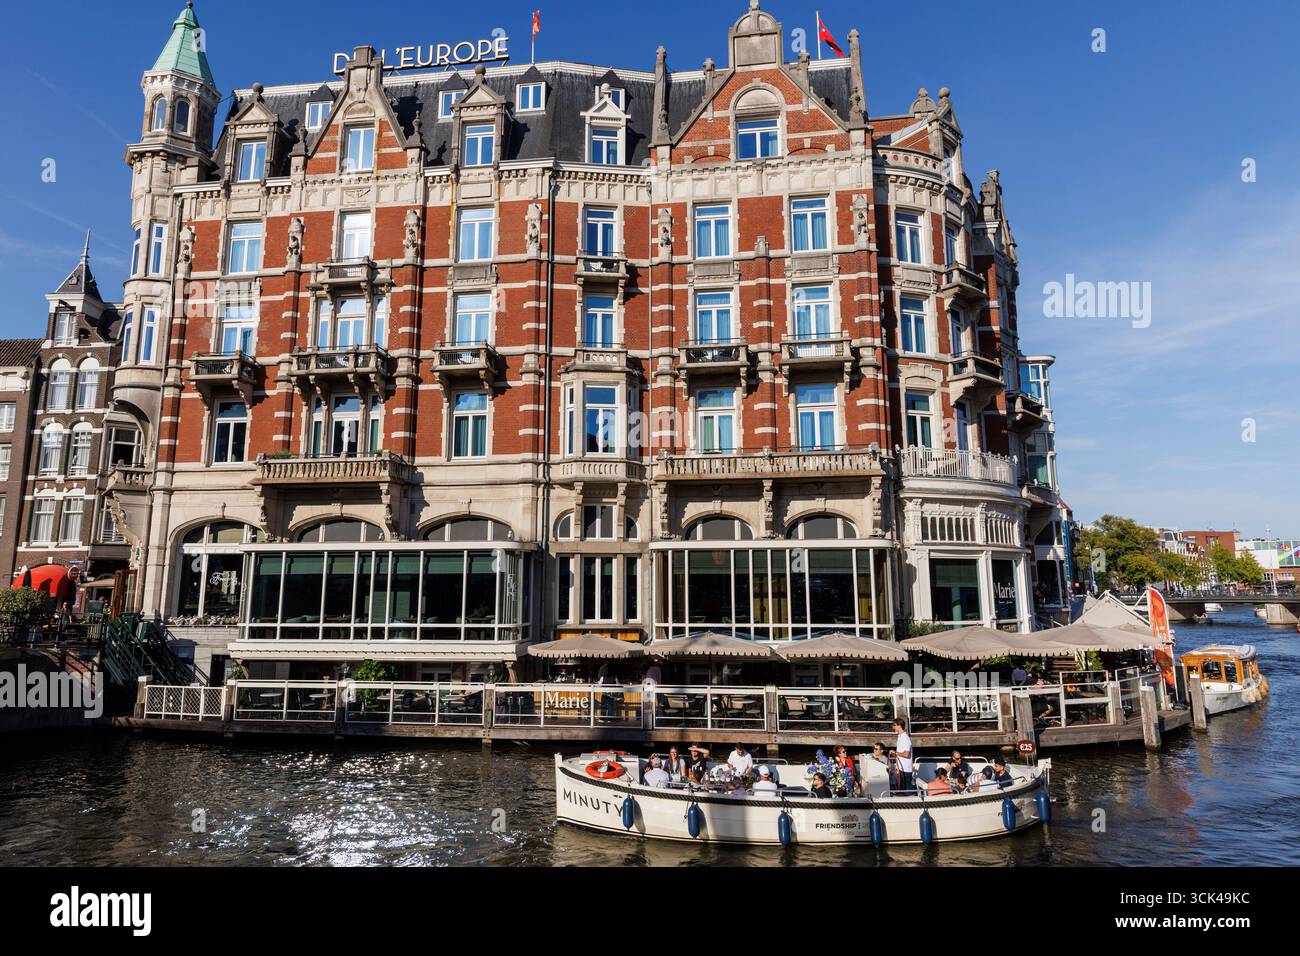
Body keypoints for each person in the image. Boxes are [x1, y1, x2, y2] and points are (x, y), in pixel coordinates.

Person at [890, 719, 915, 792]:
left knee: (907, 790)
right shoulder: (900, 736)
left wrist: (896, 753)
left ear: (899, 726)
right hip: (901, 767)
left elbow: (906, 754)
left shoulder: (905, 738)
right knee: (902, 789)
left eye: (894, 725)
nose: (893, 727)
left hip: (906, 768)